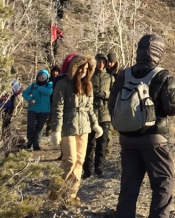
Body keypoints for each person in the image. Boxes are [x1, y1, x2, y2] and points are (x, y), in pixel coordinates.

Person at [108, 34, 175, 218]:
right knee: (163, 185)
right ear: (159, 52)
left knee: (128, 191)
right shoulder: (163, 76)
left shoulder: (124, 75)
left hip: (127, 142)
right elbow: (173, 108)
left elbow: (112, 104)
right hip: (154, 142)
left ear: (139, 50)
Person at [49, 54, 101, 202]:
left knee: (79, 161)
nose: (83, 71)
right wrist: (56, 130)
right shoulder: (63, 84)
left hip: (83, 128)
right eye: (81, 68)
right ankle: (53, 194)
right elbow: (57, 108)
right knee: (70, 161)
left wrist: (95, 124)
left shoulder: (88, 84)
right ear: (74, 68)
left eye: (86, 69)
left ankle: (70, 195)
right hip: (67, 128)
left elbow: (90, 108)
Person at [83, 54, 113, 178]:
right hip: (91, 114)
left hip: (105, 114)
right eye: (99, 62)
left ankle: (99, 167)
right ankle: (88, 169)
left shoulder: (110, 77)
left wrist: (105, 94)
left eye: (103, 62)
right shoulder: (89, 77)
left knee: (102, 143)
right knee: (89, 143)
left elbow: (114, 92)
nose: (101, 64)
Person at [23, 70, 53, 151]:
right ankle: (30, 141)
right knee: (31, 126)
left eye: (43, 77)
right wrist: (30, 100)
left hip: (44, 110)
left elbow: (49, 92)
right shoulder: (33, 85)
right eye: (40, 77)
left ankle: (36, 145)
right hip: (32, 109)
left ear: (46, 77)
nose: (41, 78)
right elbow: (25, 93)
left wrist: (39, 87)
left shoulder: (49, 84)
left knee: (39, 127)